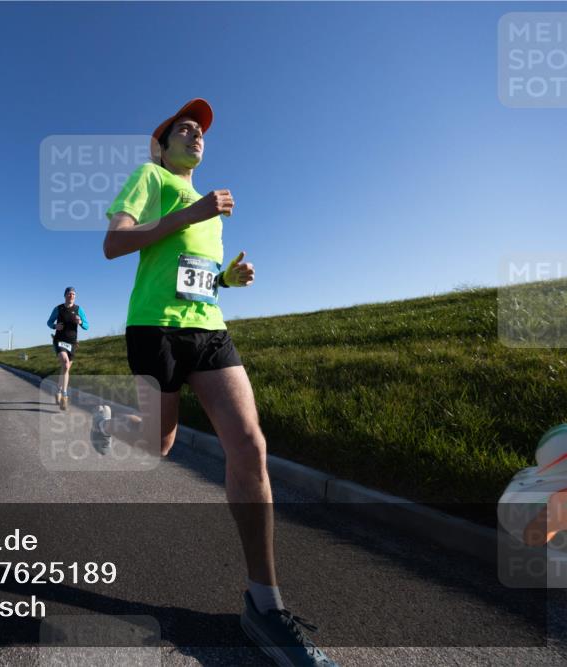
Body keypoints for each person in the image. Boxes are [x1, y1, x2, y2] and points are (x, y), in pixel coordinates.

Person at [97, 98, 337, 667]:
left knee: (250, 445)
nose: (195, 134)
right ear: (163, 147)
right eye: (183, 129)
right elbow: (115, 243)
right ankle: (111, 424)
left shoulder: (213, 209)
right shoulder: (151, 177)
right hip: (154, 329)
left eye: (200, 130)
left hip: (209, 330)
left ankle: (265, 604)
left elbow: (196, 275)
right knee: (160, 443)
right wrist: (190, 213)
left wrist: (227, 279)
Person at [46, 286, 90, 410]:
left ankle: (58, 391)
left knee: (65, 368)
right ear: (65, 295)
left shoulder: (78, 309)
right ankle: (64, 396)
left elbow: (87, 326)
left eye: (73, 294)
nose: (71, 296)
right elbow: (49, 322)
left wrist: (80, 322)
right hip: (59, 340)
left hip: (72, 343)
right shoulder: (58, 308)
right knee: (65, 364)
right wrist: (55, 326)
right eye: (69, 294)